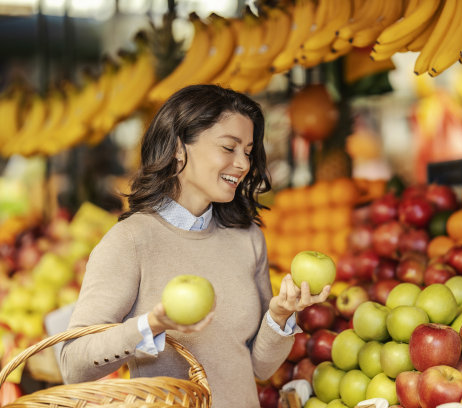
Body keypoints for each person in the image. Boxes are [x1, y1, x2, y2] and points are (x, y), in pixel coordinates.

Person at [60, 84, 331, 407]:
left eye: (247, 151)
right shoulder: (131, 240)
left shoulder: (247, 237)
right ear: (179, 147)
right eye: (229, 148)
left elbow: (260, 367)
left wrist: (281, 314)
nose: (243, 164)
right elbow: (73, 364)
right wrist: (152, 324)